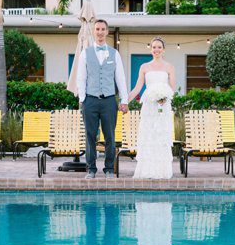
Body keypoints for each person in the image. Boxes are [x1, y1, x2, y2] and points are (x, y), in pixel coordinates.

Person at [76, 19, 130, 179]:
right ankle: (91, 169)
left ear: (107, 32)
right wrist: (83, 98)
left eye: (103, 29)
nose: (100, 32)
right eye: (97, 29)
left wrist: (124, 100)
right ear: (94, 31)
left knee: (110, 136)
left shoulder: (115, 54)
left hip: (108, 101)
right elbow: (81, 77)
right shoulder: (86, 53)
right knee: (90, 135)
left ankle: (109, 169)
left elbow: (120, 78)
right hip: (90, 100)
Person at [129, 37, 177, 179]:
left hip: (163, 106)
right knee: (149, 136)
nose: (156, 50)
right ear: (150, 49)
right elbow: (138, 87)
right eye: (154, 47)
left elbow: (172, 88)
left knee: (161, 136)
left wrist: (165, 97)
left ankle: (162, 172)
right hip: (149, 107)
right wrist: (125, 100)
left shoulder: (169, 67)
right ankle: (147, 171)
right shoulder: (144, 67)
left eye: (159, 47)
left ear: (163, 49)